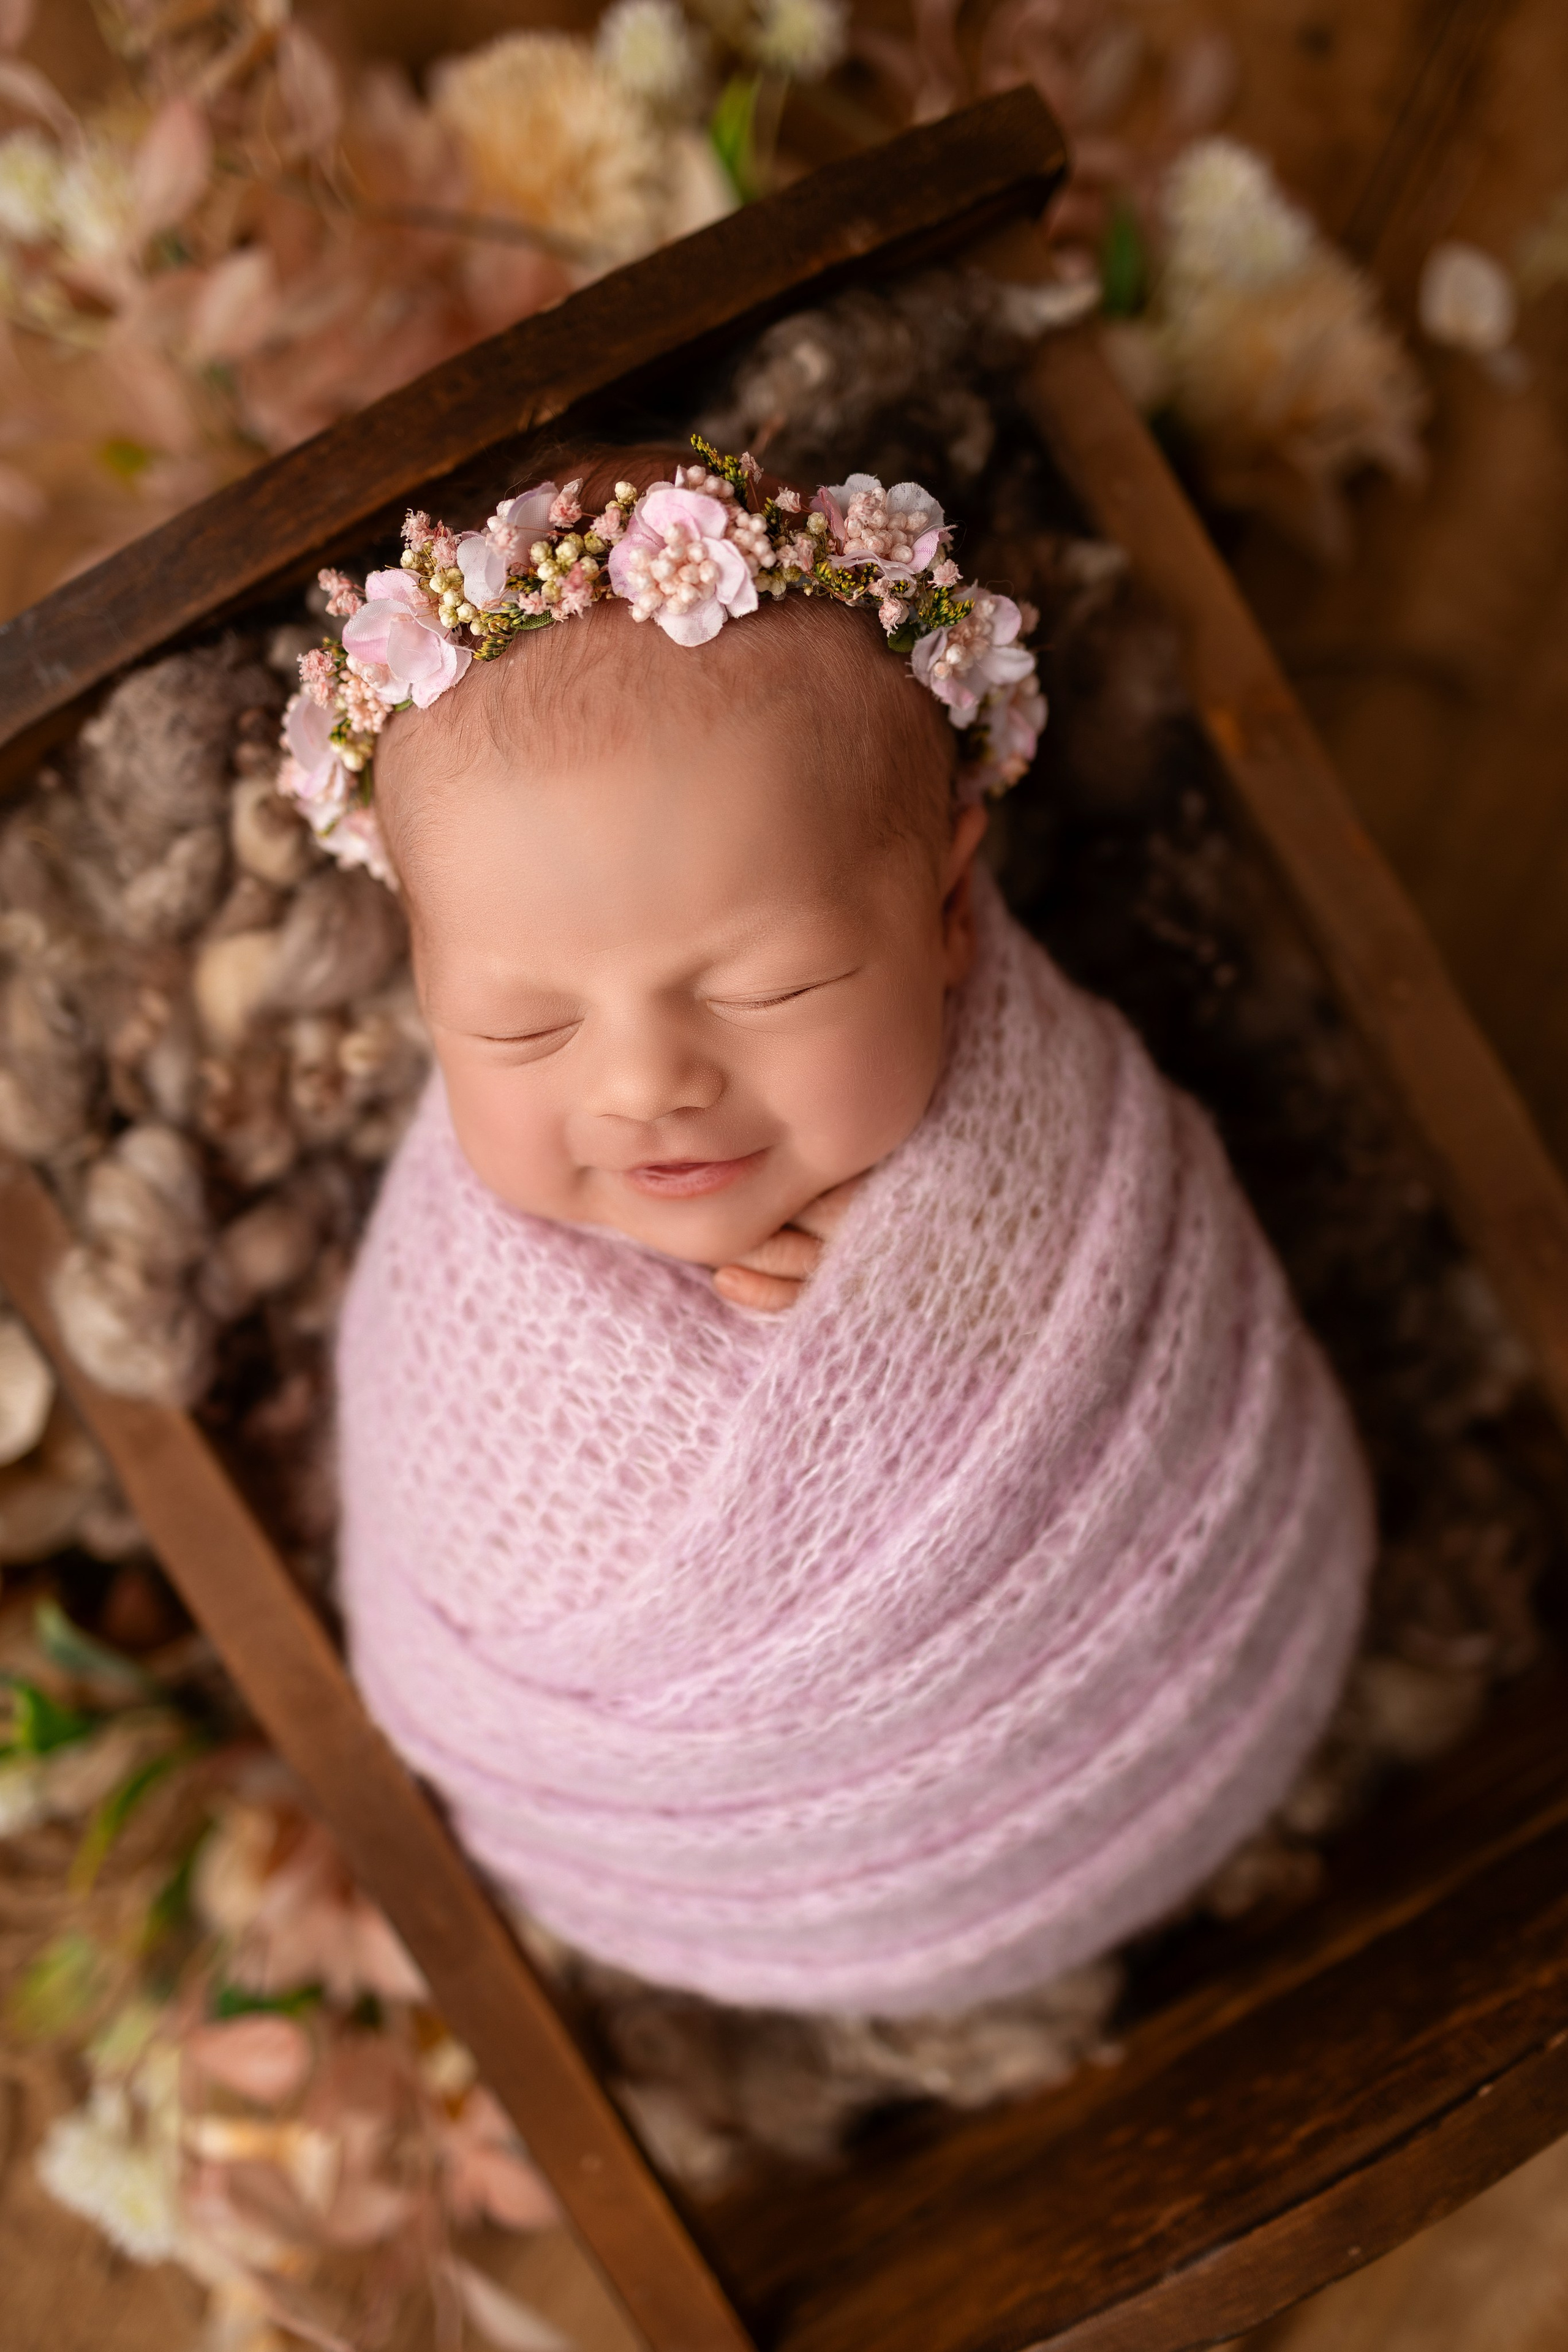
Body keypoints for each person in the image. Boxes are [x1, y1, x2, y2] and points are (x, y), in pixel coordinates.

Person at [288, 440, 1371, 2117]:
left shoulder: (1046, 1122)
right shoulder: (476, 1283)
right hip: (723, 1876)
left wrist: (952, 1286)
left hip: (1196, 1696)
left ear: (950, 910)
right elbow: (436, 1475)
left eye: (773, 985)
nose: (646, 1085)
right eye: (523, 1025)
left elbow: (1145, 1319)